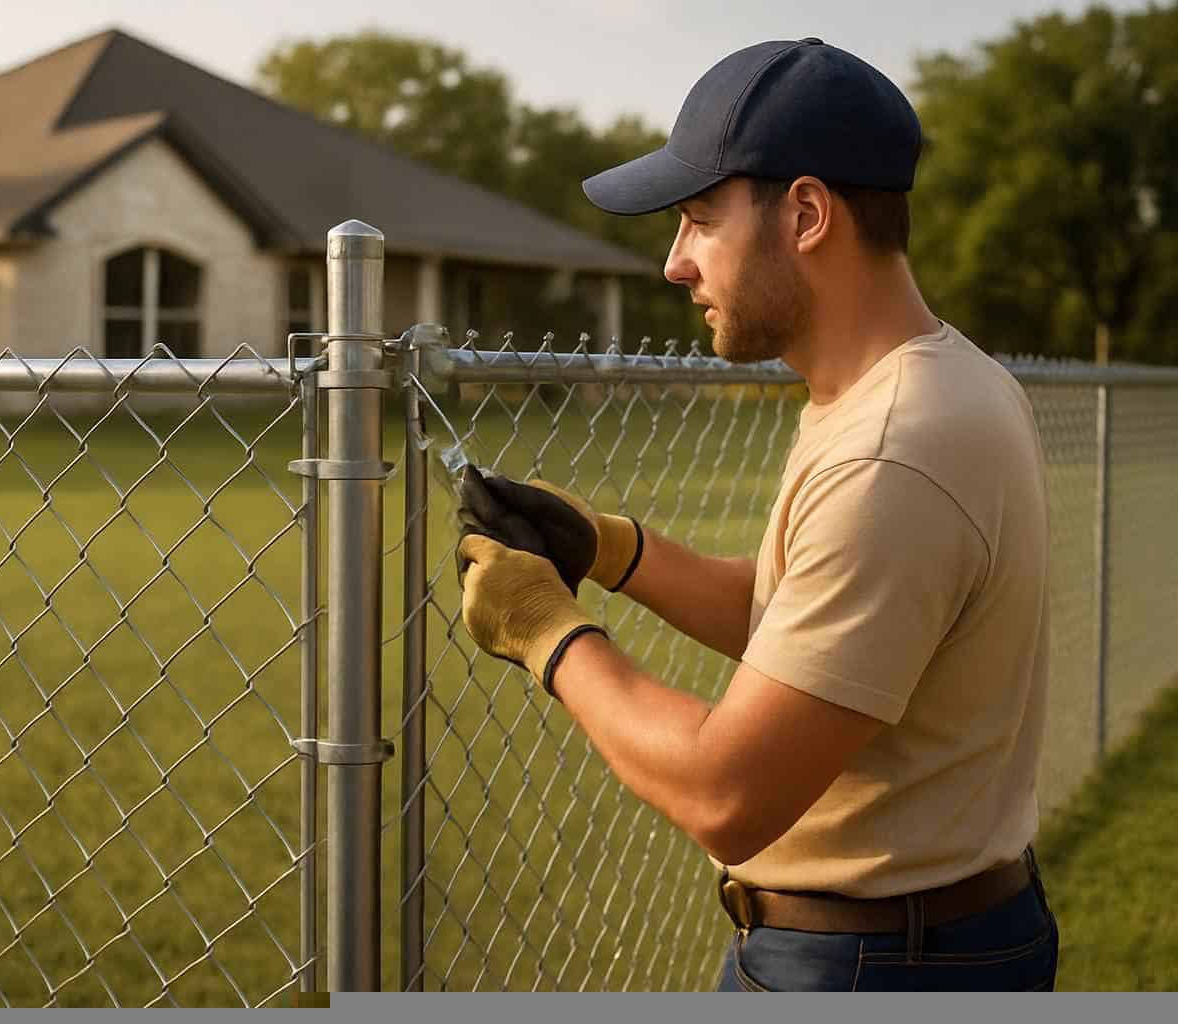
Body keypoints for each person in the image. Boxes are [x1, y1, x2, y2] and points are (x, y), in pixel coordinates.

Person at [453, 37, 1058, 992]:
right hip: (916, 937)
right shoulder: (921, 386)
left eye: (698, 220)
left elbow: (726, 793)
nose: (674, 263)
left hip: (869, 963)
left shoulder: (894, 447)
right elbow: (813, 636)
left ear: (808, 215)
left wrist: (548, 633)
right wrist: (612, 549)